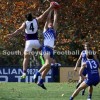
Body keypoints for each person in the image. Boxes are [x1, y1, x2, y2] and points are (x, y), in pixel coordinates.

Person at [6, 4, 56, 79]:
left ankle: (24, 73)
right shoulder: (36, 20)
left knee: (26, 58)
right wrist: (50, 7)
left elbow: (19, 30)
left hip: (28, 42)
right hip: (36, 42)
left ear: (26, 18)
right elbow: (43, 15)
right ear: (32, 17)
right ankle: (45, 62)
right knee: (42, 51)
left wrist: (12, 34)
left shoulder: (25, 23)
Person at [33, 6, 58, 90]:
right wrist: (50, 9)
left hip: (51, 49)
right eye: (49, 23)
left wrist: (55, 10)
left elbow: (55, 19)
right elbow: (48, 19)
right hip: (46, 48)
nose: (51, 23)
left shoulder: (54, 30)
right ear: (47, 25)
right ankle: (37, 74)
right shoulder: (45, 30)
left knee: (48, 66)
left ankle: (41, 81)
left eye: (52, 23)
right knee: (47, 64)